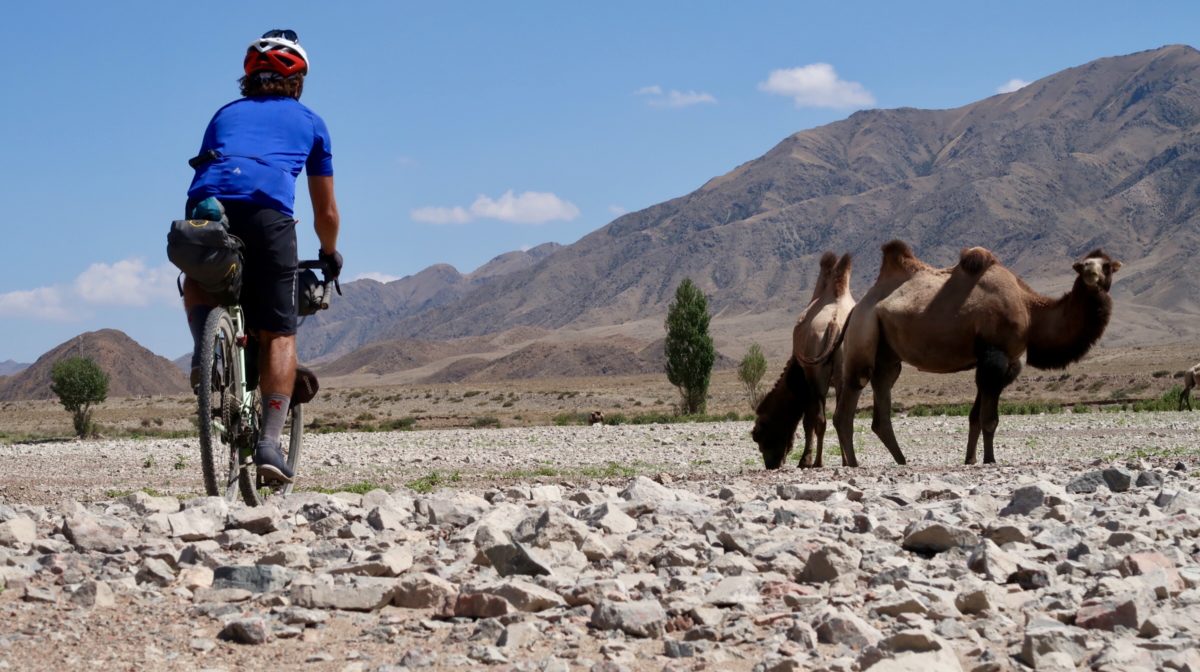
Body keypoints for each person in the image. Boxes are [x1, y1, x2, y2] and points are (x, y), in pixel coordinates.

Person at [183, 29, 342, 483]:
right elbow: (325, 211)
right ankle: (269, 445)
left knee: (200, 274)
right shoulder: (311, 122)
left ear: (248, 78)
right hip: (269, 217)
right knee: (278, 333)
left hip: (206, 211)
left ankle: (205, 352)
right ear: (298, 82)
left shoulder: (224, 113)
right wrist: (329, 254)